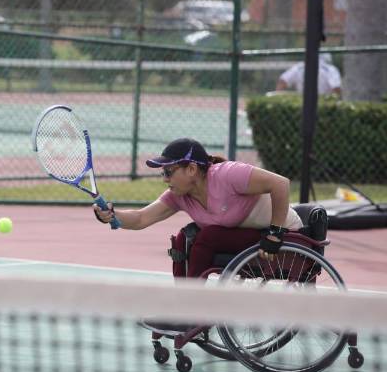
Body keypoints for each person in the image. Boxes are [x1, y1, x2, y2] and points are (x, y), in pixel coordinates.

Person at [93, 138, 303, 335]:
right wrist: (112, 216)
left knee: (208, 236)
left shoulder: (227, 175)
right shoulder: (179, 196)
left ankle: (191, 312)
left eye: (169, 171)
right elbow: (140, 218)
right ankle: (183, 307)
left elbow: (281, 184)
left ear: (192, 169)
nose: (165, 179)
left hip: (284, 236)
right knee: (184, 238)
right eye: (162, 173)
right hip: (246, 238)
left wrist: (276, 233)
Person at [276, 53, 342, 96]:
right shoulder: (331, 69)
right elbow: (336, 88)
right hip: (325, 103)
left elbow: (283, 81)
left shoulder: (299, 67)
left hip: (301, 102)